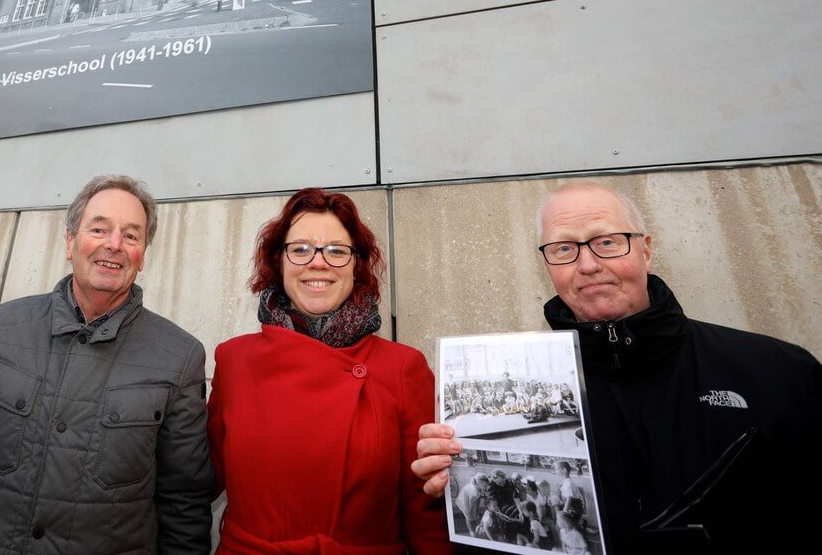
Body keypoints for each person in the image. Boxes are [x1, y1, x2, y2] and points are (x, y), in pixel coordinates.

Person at [411, 180, 822, 553]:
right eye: (564, 249)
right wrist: (450, 473)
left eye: (606, 242)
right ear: (549, 265)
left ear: (646, 248)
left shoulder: (778, 371)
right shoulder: (535, 384)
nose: (587, 265)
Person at [0, 175, 213, 554]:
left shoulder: (179, 357)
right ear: (70, 242)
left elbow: (183, 509)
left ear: (143, 255)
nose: (114, 244)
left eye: (131, 235)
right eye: (99, 228)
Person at [207, 188, 452, 554]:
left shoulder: (403, 368)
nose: (317, 263)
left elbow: (427, 513)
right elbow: (197, 483)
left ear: (358, 266)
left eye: (337, 251)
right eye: (301, 249)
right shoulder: (234, 360)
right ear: (279, 262)